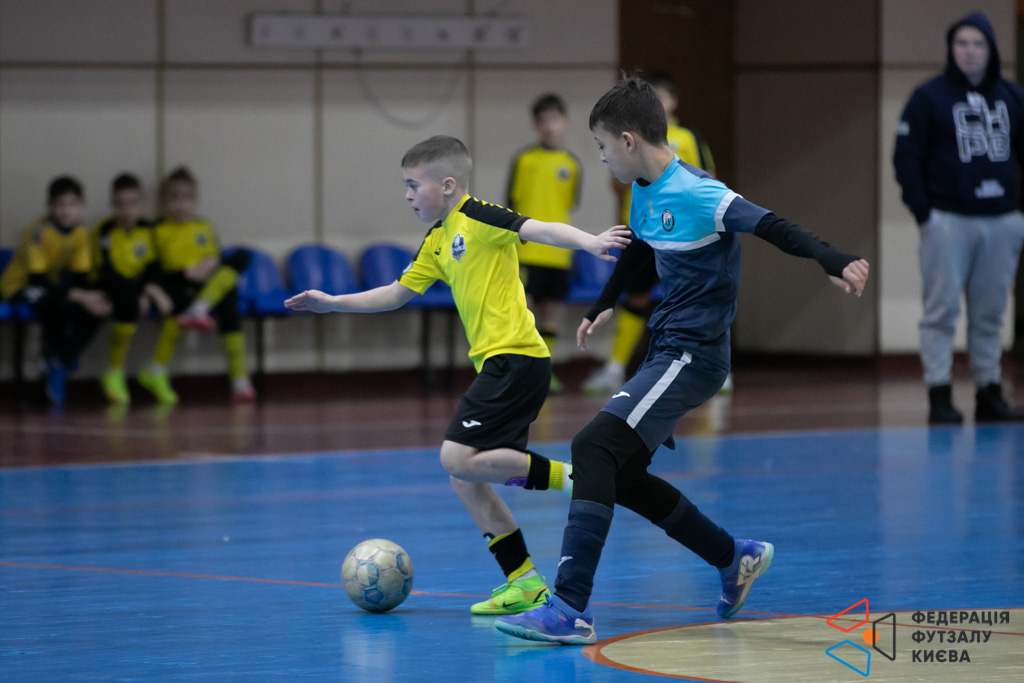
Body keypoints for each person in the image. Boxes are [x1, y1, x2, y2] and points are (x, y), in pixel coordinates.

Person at [495, 76, 870, 645]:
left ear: (628, 140)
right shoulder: (645, 188)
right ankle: (732, 556)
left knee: (592, 447)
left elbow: (773, 226)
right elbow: (642, 242)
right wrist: (604, 303)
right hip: (667, 349)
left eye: (601, 146)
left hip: (694, 355)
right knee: (622, 474)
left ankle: (568, 607)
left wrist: (833, 259)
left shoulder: (700, 193)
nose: (601, 157)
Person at [285, 135, 630, 614]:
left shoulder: (481, 217)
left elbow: (540, 228)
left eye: (413, 185)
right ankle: (525, 583)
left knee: (455, 456)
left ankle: (577, 478)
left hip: (518, 359)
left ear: (447, 185)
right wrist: (332, 303)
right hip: (499, 364)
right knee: (465, 477)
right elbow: (396, 293)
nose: (407, 195)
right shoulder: (437, 239)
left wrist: (590, 241)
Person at [893, 11, 1024, 425]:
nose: (970, 51)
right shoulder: (928, 97)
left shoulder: (1013, 97)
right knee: (941, 311)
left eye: (978, 43)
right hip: (947, 219)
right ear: (951, 49)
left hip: (1002, 219)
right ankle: (939, 395)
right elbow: (906, 157)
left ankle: (989, 393)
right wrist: (924, 212)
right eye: (961, 43)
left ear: (992, 49)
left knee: (991, 313)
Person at [583, 71, 719, 396]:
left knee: (691, 299)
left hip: (681, 232)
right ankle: (615, 368)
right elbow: (617, 184)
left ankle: (712, 369)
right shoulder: (630, 138)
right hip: (640, 232)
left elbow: (708, 180)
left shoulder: (688, 137)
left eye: (663, 97)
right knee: (635, 296)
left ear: (674, 101)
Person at [142, 167, 255, 405]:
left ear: (195, 200)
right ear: (164, 200)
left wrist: (211, 264)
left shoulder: (204, 226)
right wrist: (186, 273)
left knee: (239, 262)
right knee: (179, 301)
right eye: (175, 198)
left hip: (208, 286)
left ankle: (239, 378)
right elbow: (154, 272)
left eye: (187, 198)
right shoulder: (156, 230)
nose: (181, 205)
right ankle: (157, 366)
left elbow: (215, 258)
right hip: (178, 285)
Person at [0, 176, 110, 405]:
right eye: (60, 204)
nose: (66, 211)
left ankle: (61, 358)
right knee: (55, 302)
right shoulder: (38, 232)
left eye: (72, 204)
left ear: (82, 206)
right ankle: (57, 359)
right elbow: (38, 280)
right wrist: (79, 295)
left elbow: (80, 277)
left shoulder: (82, 233)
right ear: (49, 207)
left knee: (99, 306)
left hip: (55, 287)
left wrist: (90, 297)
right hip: (21, 287)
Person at [507, 94, 583, 394]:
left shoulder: (572, 164)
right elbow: (511, 204)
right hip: (527, 251)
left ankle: (544, 372)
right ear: (536, 125)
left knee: (551, 313)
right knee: (525, 312)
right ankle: (524, 371)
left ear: (564, 122)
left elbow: (570, 203)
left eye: (555, 119)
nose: (550, 127)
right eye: (543, 121)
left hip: (558, 254)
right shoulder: (524, 160)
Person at [92, 173, 173, 405]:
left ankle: (157, 371)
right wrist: (142, 293)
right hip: (111, 286)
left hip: (141, 287)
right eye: (121, 204)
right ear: (112, 205)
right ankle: (114, 372)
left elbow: (154, 267)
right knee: (127, 304)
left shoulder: (150, 229)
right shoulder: (104, 231)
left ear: (142, 204)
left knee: (176, 303)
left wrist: (148, 291)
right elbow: (107, 274)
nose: (127, 210)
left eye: (133, 203)